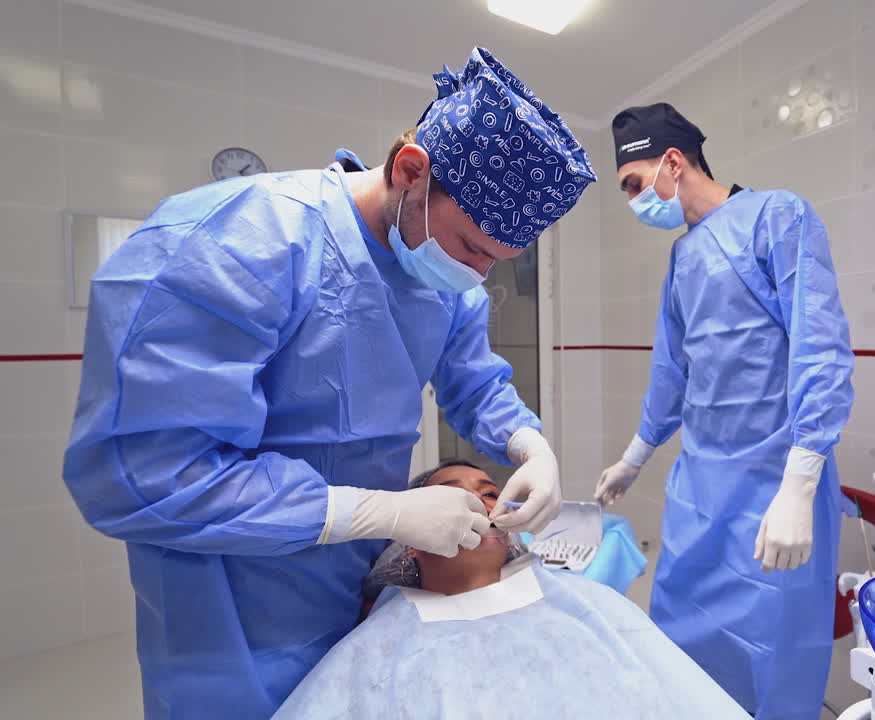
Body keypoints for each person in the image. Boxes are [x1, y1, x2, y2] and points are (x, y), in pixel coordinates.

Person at [62, 47, 596, 720]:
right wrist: (378, 513)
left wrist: (529, 445)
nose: (477, 275)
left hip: (349, 588)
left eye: (498, 261)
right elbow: (140, 474)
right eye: (471, 247)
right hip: (229, 612)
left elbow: (473, 381)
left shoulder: (444, 283)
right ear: (410, 172)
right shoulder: (240, 243)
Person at [595, 102, 855, 719]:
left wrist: (799, 484)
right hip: (700, 488)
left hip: (773, 487)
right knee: (682, 636)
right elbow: (672, 369)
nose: (632, 202)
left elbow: (819, 348)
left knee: (771, 653)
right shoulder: (683, 256)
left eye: (633, 184)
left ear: (672, 162)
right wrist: (634, 457)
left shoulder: (777, 216)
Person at [273, 461, 752, 720]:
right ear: (411, 543)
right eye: (452, 495)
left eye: (489, 492)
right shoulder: (377, 647)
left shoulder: (587, 605)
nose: (480, 503)